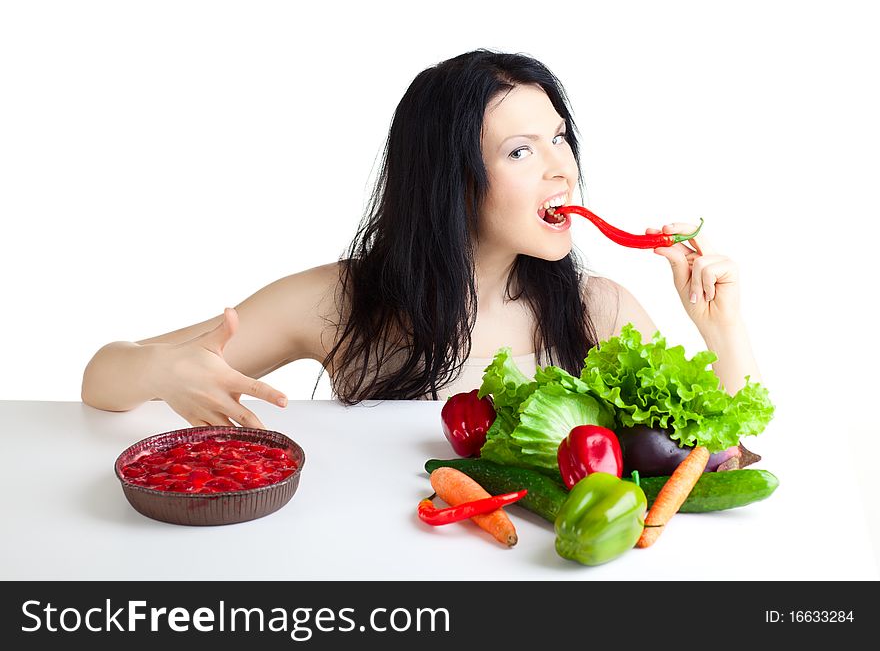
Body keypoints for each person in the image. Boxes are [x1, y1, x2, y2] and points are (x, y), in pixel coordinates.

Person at [81, 49, 760, 428]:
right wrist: (159, 371)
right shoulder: (339, 299)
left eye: (559, 137)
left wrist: (721, 330)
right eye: (522, 151)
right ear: (450, 178)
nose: (562, 166)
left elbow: (718, 448)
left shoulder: (599, 309)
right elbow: (99, 378)